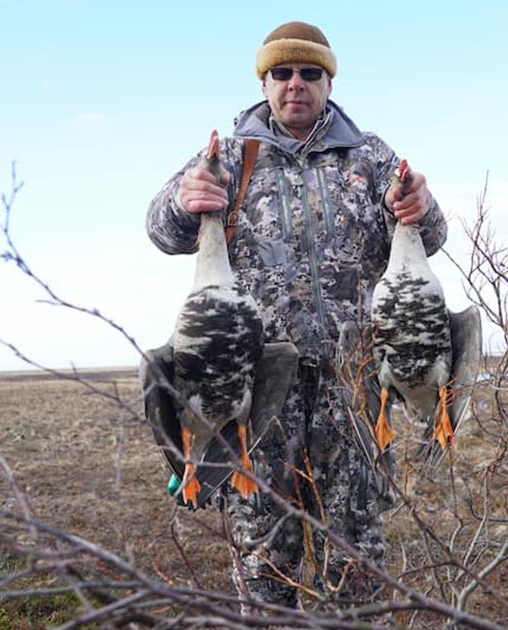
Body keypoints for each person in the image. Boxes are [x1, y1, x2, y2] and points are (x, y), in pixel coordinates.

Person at [146, 21, 447, 611]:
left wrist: (422, 204)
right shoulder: (229, 158)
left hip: (353, 389)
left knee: (356, 565)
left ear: (328, 82)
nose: (295, 84)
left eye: (310, 73)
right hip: (259, 395)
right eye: (281, 73)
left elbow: (430, 237)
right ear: (264, 82)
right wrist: (184, 201)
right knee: (265, 567)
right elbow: (162, 232)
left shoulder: (371, 158)